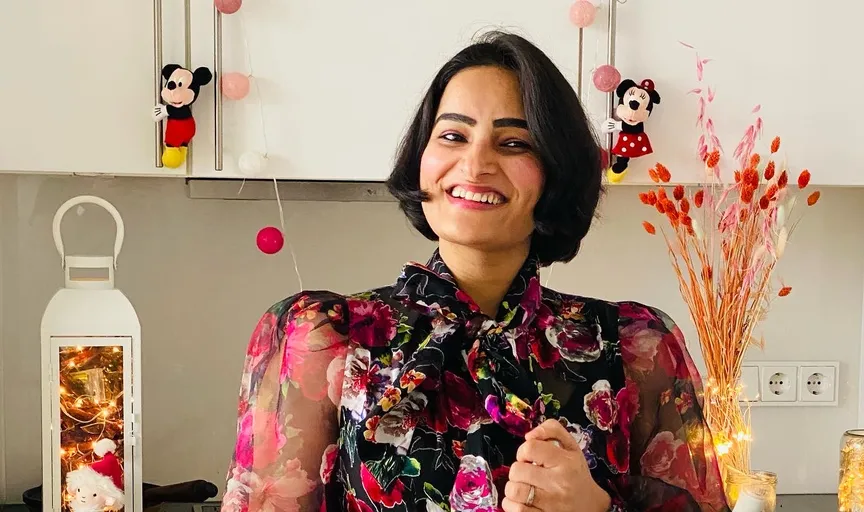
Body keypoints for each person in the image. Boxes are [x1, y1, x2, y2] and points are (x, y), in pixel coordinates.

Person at [221, 31, 729, 512]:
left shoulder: (638, 347)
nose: (476, 162)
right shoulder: (318, 334)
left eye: (513, 143)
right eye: (453, 135)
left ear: (556, 172)